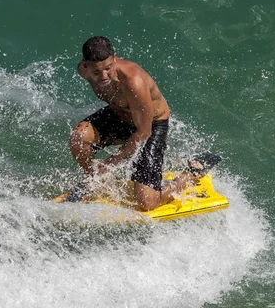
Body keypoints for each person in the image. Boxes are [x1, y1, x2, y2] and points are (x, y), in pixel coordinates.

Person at [68, 36, 194, 211]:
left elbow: (144, 132)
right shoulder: (83, 71)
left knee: (147, 203)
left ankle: (191, 174)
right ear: (85, 65)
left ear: (115, 57)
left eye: (108, 68)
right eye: (97, 72)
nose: (104, 76)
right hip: (120, 115)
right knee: (78, 136)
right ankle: (94, 178)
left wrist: (111, 162)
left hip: (151, 125)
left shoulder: (134, 82)